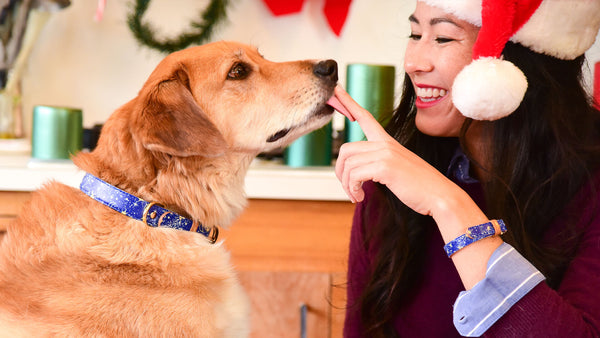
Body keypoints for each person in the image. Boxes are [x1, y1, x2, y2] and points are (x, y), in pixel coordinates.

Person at [332, 0, 600, 336]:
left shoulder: (590, 185)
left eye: (442, 38)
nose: (413, 63)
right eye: (415, 33)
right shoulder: (392, 178)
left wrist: (448, 205)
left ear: (515, 60)